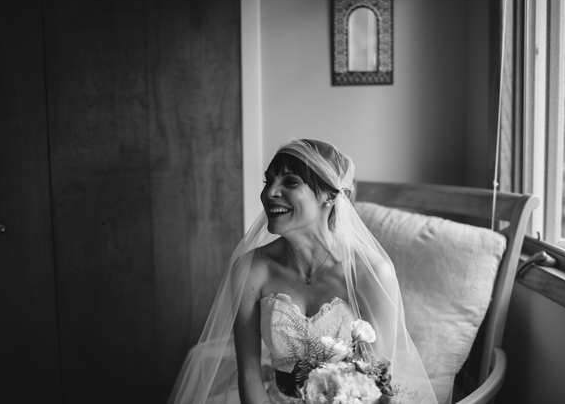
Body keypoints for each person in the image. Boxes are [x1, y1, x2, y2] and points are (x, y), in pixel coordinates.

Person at [168, 139, 437, 404]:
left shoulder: (373, 273)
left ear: (330, 196)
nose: (269, 193)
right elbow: (249, 376)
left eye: (290, 182)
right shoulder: (251, 268)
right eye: (268, 181)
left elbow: (377, 381)